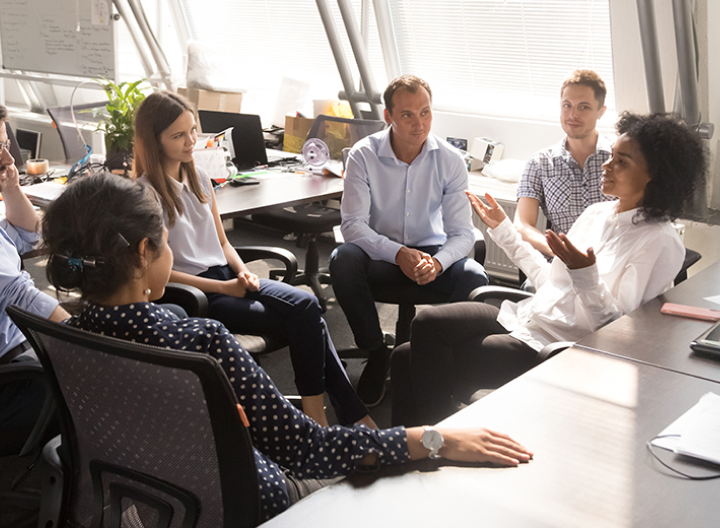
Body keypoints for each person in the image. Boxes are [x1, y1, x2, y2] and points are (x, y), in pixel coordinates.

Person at [41, 172, 532, 522]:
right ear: (145, 252)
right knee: (411, 486)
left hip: (150, 497)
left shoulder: (68, 330)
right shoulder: (197, 342)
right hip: (252, 500)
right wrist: (432, 439)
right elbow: (309, 450)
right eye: (166, 241)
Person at [392, 113, 705, 426]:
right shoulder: (598, 213)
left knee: (407, 358)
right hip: (526, 317)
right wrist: (504, 231)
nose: (607, 165)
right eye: (611, 156)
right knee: (426, 323)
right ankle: (422, 445)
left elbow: (616, 331)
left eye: (621, 161)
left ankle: (434, 445)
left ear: (655, 175)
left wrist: (586, 276)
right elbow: (548, 281)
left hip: (556, 345)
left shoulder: (660, 242)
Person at [132, 91, 372, 428]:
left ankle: (321, 419)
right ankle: (339, 418)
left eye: (191, 131)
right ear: (154, 141)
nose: (190, 142)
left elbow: (224, 242)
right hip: (197, 294)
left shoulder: (200, 178)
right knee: (309, 317)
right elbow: (162, 272)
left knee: (306, 308)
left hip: (229, 277)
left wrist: (244, 273)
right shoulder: (147, 195)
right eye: (178, 136)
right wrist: (224, 287)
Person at [329, 75, 489, 406]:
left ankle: (440, 358)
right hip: (380, 256)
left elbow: (462, 233)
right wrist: (398, 253)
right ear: (388, 116)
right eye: (407, 115)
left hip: (433, 253)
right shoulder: (363, 154)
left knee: (475, 277)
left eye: (426, 112)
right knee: (343, 260)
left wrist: (440, 261)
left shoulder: (450, 160)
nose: (419, 124)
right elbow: (353, 226)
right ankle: (376, 352)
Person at [0, 104, 69, 432]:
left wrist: (11, 188)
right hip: (10, 379)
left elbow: (29, 236)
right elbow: (17, 293)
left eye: (5, 145)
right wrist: (81, 333)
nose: (9, 159)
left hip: (19, 350)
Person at [515, 69, 615, 257]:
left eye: (584, 107)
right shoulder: (540, 162)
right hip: (558, 263)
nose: (572, 115)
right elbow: (522, 226)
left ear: (601, 112)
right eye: (567, 105)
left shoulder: (620, 157)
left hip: (612, 261)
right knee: (530, 288)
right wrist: (559, 251)